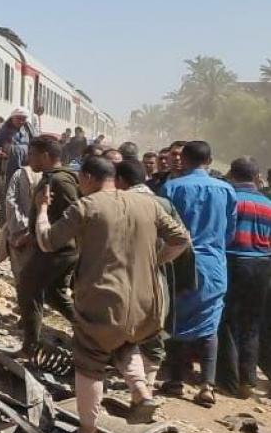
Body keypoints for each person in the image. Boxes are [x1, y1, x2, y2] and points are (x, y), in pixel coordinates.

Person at [34, 155, 190, 433]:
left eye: (81, 179)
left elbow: (47, 241)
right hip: (146, 303)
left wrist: (42, 209)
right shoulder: (148, 204)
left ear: (90, 179)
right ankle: (141, 392)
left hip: (102, 301)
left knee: (90, 363)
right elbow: (181, 239)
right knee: (126, 342)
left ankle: (88, 431)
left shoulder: (86, 206)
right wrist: (156, 261)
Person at [161, 140, 238, 406]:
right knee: (209, 324)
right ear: (210, 160)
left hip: (179, 263)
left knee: (173, 320)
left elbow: (163, 231)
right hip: (214, 265)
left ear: (185, 159)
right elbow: (229, 232)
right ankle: (207, 385)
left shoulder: (172, 187)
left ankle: (174, 380)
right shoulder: (227, 190)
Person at [115, 158, 193, 392]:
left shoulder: (119, 202)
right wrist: (158, 260)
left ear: (120, 180)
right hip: (155, 277)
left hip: (123, 274)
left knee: (121, 323)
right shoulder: (163, 203)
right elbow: (183, 240)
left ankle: (134, 381)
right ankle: (146, 382)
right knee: (154, 324)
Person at [16, 135, 80, 357]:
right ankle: (87, 329)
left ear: (45, 156)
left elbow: (75, 213)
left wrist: (54, 239)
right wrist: (31, 235)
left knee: (28, 288)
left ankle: (30, 347)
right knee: (54, 294)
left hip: (56, 249)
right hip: (57, 247)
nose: (28, 158)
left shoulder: (60, 181)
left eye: (32, 154)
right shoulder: (53, 178)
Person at [220, 158, 271, 397]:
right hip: (262, 265)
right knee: (252, 322)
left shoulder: (230, 198)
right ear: (255, 177)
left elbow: (223, 231)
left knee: (228, 320)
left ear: (232, 174)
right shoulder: (267, 203)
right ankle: (248, 380)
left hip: (233, 260)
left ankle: (229, 380)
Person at [0, 148, 42, 281]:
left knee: (20, 271)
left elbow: (10, 201)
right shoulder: (52, 176)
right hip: (43, 232)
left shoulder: (19, 174)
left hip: (20, 230)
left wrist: (21, 226)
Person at [0, 106, 36, 224]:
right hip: (7, 167)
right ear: (12, 118)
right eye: (19, 119)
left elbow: (36, 142)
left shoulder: (28, 129)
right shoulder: (3, 129)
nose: (21, 122)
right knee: (7, 195)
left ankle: (22, 222)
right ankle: (6, 223)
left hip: (25, 166)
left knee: (24, 194)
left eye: (24, 119)